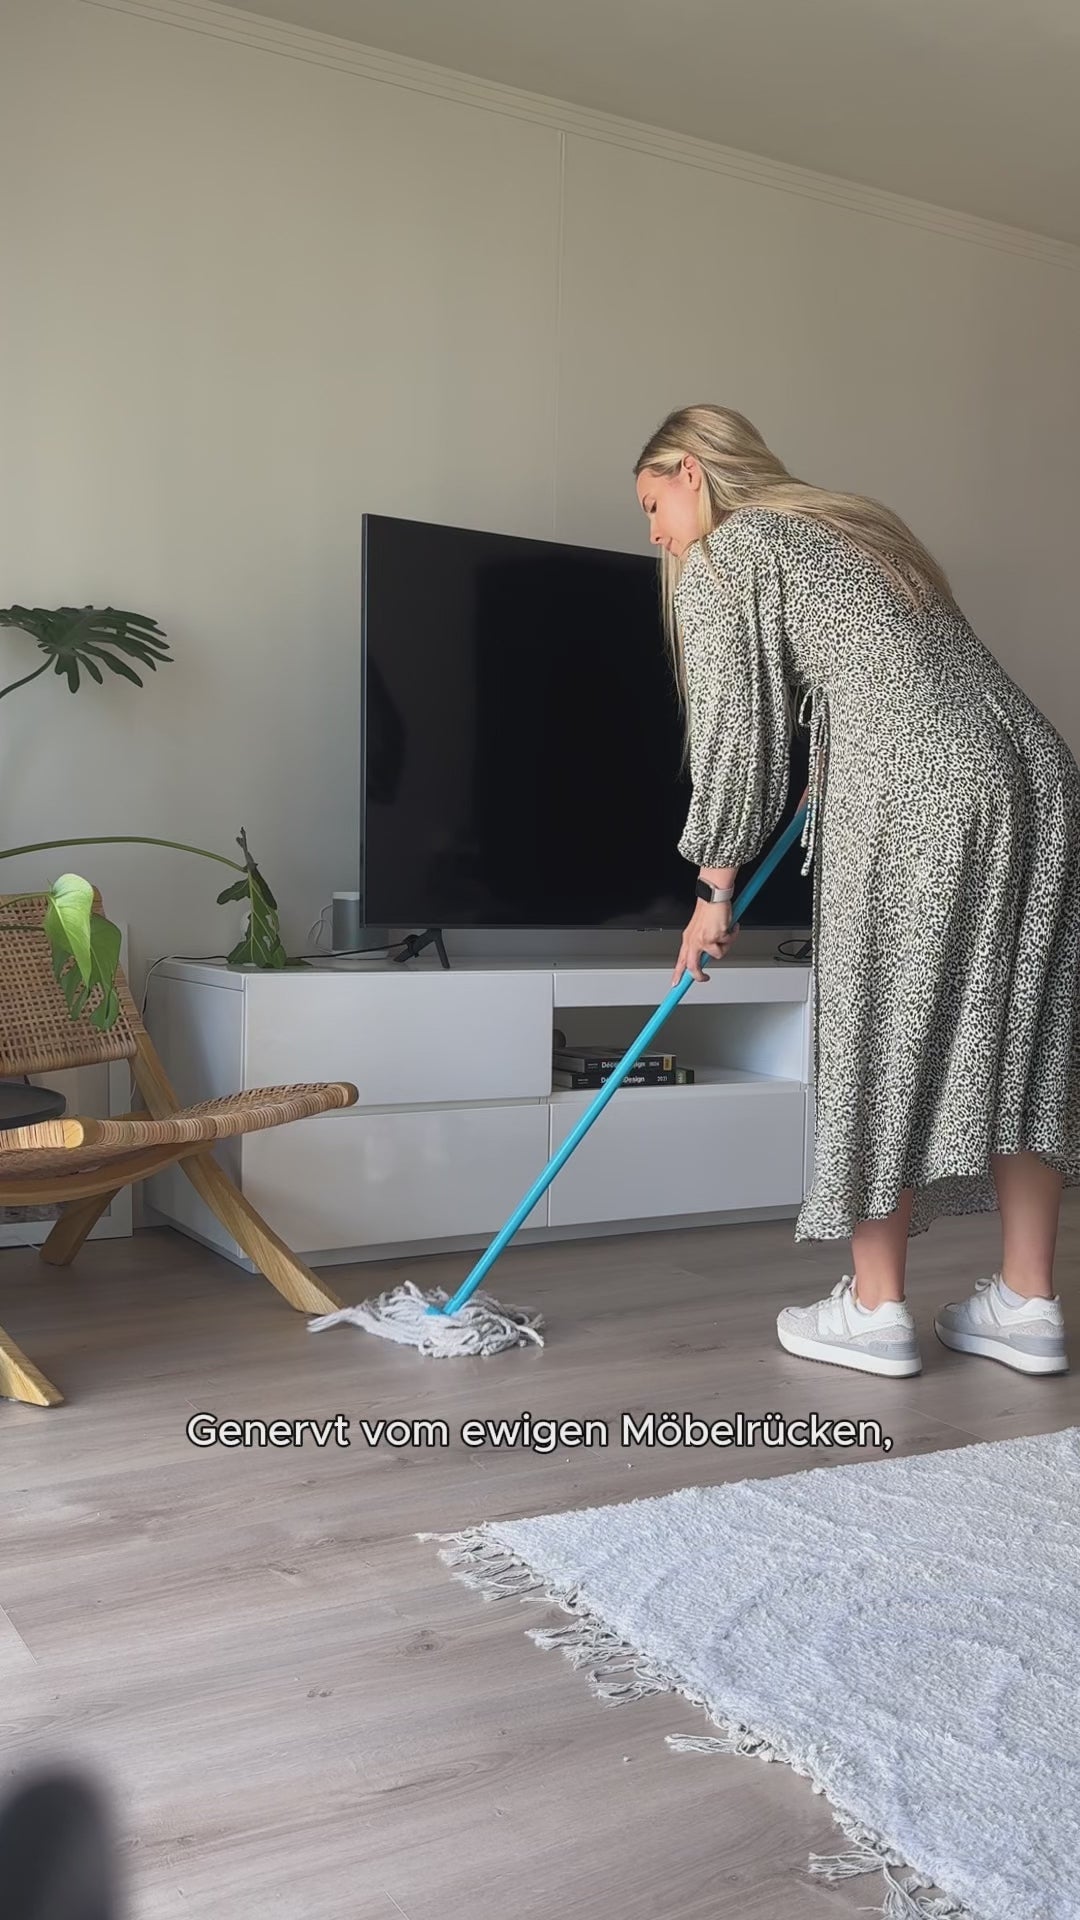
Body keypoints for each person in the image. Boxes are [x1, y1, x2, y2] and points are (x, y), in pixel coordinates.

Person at [634, 404, 1077, 1378]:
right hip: (1037, 776)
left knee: (877, 1028)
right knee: (1026, 1038)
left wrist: (713, 889)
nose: (655, 534)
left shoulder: (729, 553)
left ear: (690, 472)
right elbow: (897, 675)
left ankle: (875, 1313)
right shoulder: (850, 525)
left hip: (916, 793)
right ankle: (1029, 1303)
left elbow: (736, 733)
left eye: (652, 506)